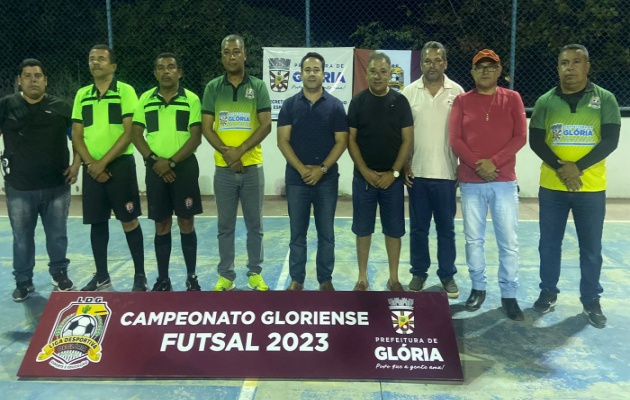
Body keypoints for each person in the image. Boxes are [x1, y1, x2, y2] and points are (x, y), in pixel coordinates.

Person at [529, 44, 621, 328]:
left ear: (587, 66)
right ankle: (548, 291)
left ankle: (591, 298)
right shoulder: (546, 101)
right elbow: (535, 141)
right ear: (557, 67)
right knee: (549, 244)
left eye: (576, 62)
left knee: (591, 248)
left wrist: (576, 168)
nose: (570, 67)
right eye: (564, 63)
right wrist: (561, 168)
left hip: (590, 188)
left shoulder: (605, 99)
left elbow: (610, 141)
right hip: (552, 187)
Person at [449, 49, 527, 320]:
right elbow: (455, 139)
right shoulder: (461, 101)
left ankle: (509, 294)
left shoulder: (513, 98)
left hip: (504, 181)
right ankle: (478, 287)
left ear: (499, 71)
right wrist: (477, 164)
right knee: (474, 240)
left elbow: (520, 137)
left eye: (490, 67)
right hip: (471, 182)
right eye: (479, 67)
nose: (485, 71)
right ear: (472, 72)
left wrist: (494, 162)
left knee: (508, 240)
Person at [0, 59, 79, 301]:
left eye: (37, 75)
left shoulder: (62, 107)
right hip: (19, 187)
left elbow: (78, 139)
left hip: (56, 186)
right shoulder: (6, 106)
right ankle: (23, 282)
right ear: (19, 81)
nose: (33, 79)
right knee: (22, 238)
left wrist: (76, 164)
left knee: (57, 235)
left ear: (46, 80)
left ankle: (59, 274)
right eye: (27, 75)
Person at [72, 44, 146, 291]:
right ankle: (102, 276)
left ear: (113, 66)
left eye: (102, 59)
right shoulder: (82, 94)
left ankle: (140, 276)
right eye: (92, 58)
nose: (96, 62)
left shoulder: (126, 92)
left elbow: (129, 133)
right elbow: (77, 135)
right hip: (92, 167)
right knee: (97, 222)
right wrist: (91, 164)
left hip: (120, 166)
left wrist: (101, 164)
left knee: (129, 220)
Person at [201, 34, 272, 291]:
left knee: (255, 225)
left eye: (236, 51)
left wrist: (239, 151)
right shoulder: (212, 88)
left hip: (252, 167)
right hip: (224, 170)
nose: (231, 56)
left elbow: (265, 126)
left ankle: (255, 272)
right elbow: (207, 128)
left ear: (245, 55)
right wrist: (227, 155)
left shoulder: (259, 87)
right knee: (225, 226)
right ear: (222, 56)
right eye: (226, 52)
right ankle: (226, 276)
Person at [277, 52, 348, 291]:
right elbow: (283, 141)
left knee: (326, 233)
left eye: (316, 69)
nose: (311, 73)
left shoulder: (336, 106)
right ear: (301, 73)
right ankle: (297, 279)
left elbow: (341, 141)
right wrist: (302, 169)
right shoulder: (289, 105)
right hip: (296, 181)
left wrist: (322, 169)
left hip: (327, 180)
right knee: (297, 234)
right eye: (307, 69)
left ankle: (325, 279)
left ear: (323, 74)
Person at [131, 53, 203, 291]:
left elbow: (195, 139)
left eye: (171, 67)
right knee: (161, 224)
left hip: (183, 168)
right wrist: (155, 162)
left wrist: (169, 163)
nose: (166, 71)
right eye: (160, 67)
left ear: (179, 72)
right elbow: (136, 134)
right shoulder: (145, 100)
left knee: (186, 221)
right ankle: (163, 279)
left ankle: (191, 277)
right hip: (155, 170)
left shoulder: (191, 100)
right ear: (155, 73)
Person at [347, 52, 414, 292]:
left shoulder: (400, 102)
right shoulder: (358, 102)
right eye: (373, 71)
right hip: (363, 180)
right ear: (366, 74)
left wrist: (394, 173)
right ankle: (362, 278)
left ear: (390, 74)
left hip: (392, 182)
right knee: (363, 229)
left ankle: (394, 279)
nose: (378, 76)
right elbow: (350, 140)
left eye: (383, 72)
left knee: (394, 230)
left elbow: (407, 140)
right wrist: (364, 171)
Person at [402, 41, 464, 297]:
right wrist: (405, 162)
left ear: (445, 63)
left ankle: (447, 275)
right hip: (417, 174)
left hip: (447, 175)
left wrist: (461, 164)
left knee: (446, 230)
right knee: (418, 229)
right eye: (428, 61)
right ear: (421, 64)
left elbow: (465, 134)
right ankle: (418, 273)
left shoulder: (458, 92)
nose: (433, 65)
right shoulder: (409, 92)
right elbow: (403, 134)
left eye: (438, 60)